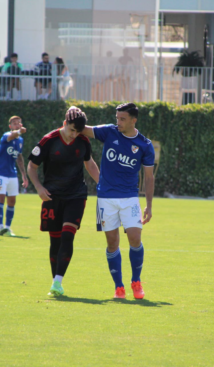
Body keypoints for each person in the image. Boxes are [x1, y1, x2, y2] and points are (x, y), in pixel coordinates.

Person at [70, 103, 155, 300]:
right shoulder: (109, 132)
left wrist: (149, 205)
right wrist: (72, 115)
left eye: (122, 119)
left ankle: (136, 281)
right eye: (117, 118)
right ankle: (119, 287)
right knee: (112, 242)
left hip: (130, 198)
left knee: (135, 238)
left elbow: (149, 177)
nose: (118, 122)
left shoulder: (144, 144)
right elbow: (83, 129)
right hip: (105, 199)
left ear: (134, 120)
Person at [27, 111, 100, 296]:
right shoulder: (48, 140)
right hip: (52, 196)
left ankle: (58, 281)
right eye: (72, 130)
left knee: (68, 235)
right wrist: (39, 188)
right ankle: (55, 283)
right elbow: (32, 166)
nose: (74, 135)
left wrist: (104, 185)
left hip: (76, 195)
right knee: (55, 241)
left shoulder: (83, 141)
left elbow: (89, 163)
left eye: (78, 131)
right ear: (64, 123)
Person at [0, 116, 28, 236]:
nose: (17, 125)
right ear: (10, 126)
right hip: (0, 173)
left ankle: (7, 228)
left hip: (12, 174)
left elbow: (19, 157)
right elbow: (11, 136)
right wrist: (18, 132)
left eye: (19, 123)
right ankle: (0, 227)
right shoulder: (6, 135)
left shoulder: (20, 140)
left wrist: (24, 175)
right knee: (1, 199)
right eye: (14, 123)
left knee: (12, 201)